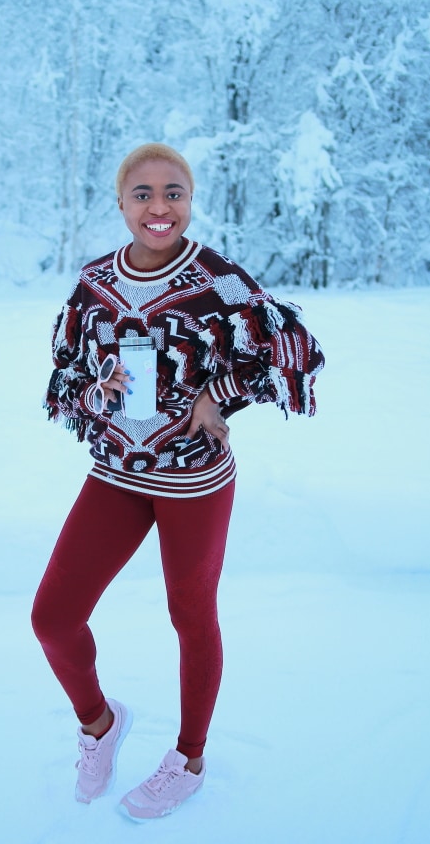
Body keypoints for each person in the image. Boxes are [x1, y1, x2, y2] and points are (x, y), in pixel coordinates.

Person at [31, 143, 325, 821]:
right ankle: (100, 725)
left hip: (194, 479)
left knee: (190, 617)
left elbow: (291, 345)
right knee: (53, 617)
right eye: (143, 194)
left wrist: (217, 391)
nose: (159, 207)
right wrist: (95, 389)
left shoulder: (215, 278)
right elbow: (66, 369)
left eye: (174, 193)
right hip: (117, 473)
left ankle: (188, 760)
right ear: (121, 204)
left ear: (189, 201)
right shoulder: (96, 281)